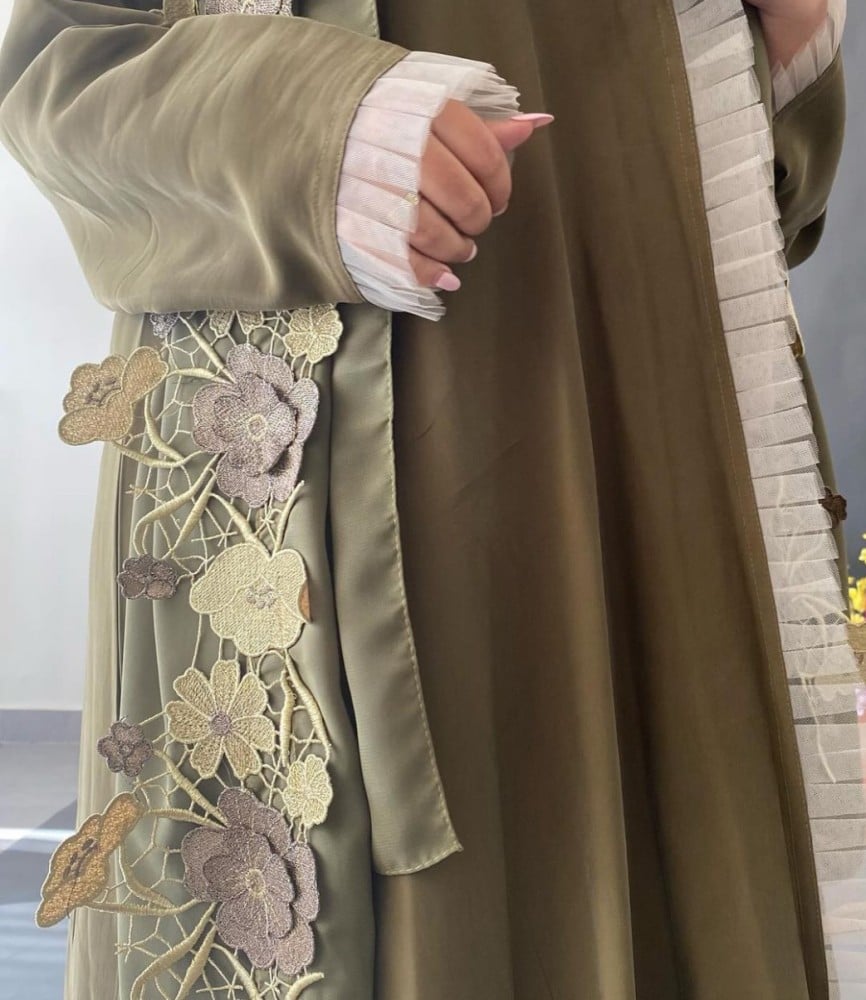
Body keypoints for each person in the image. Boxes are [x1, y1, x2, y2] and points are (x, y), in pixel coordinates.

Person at [0, 0, 859, 996]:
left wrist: (784, 40)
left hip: (663, 451)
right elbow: (64, 69)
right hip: (378, 470)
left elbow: (771, 206)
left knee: (691, 877)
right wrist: (321, 128)